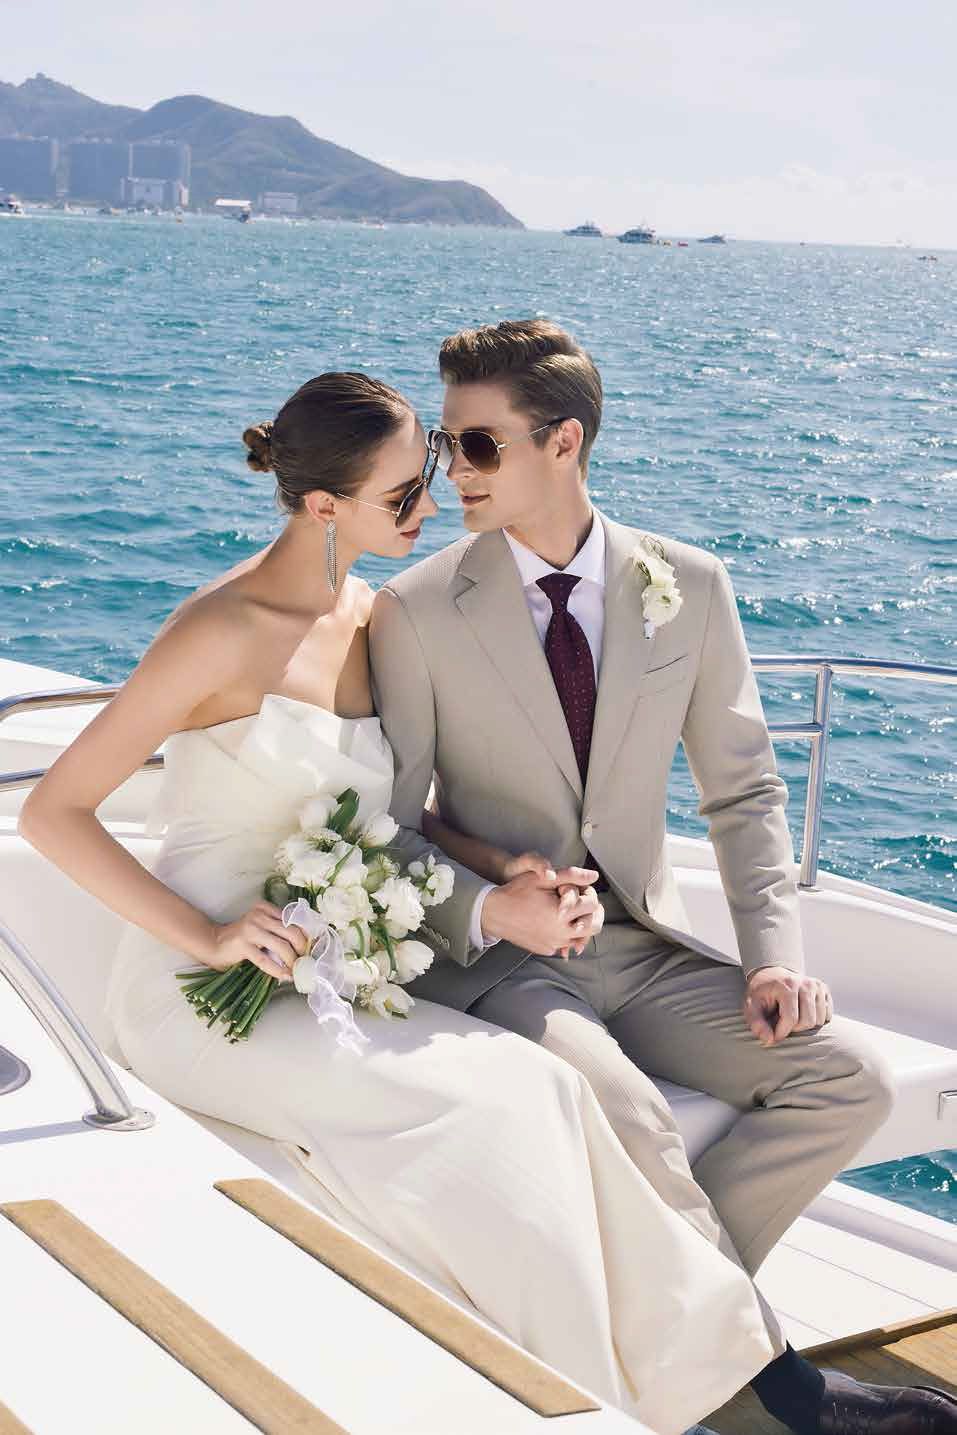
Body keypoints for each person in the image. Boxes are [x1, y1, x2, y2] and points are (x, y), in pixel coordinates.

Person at [18, 371, 781, 1435]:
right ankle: (593, 1402)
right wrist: (208, 933)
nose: (429, 508)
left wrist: (503, 868)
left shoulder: (370, 613)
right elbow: (53, 813)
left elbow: (401, 806)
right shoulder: (220, 628)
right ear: (322, 507)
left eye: (426, 477)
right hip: (198, 993)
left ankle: (724, 1386)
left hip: (332, 970)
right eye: (401, 494)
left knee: (547, 1088)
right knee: (492, 1112)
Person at [369, 320, 957, 1435]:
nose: (454, 477)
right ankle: (767, 1396)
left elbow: (742, 795)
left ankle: (657, 1355)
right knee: (628, 1108)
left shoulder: (686, 584)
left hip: (644, 944)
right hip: (504, 965)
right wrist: (495, 906)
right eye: (445, 449)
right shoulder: (418, 609)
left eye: (478, 447)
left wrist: (777, 960)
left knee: (851, 1079)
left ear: (565, 442)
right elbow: (394, 829)